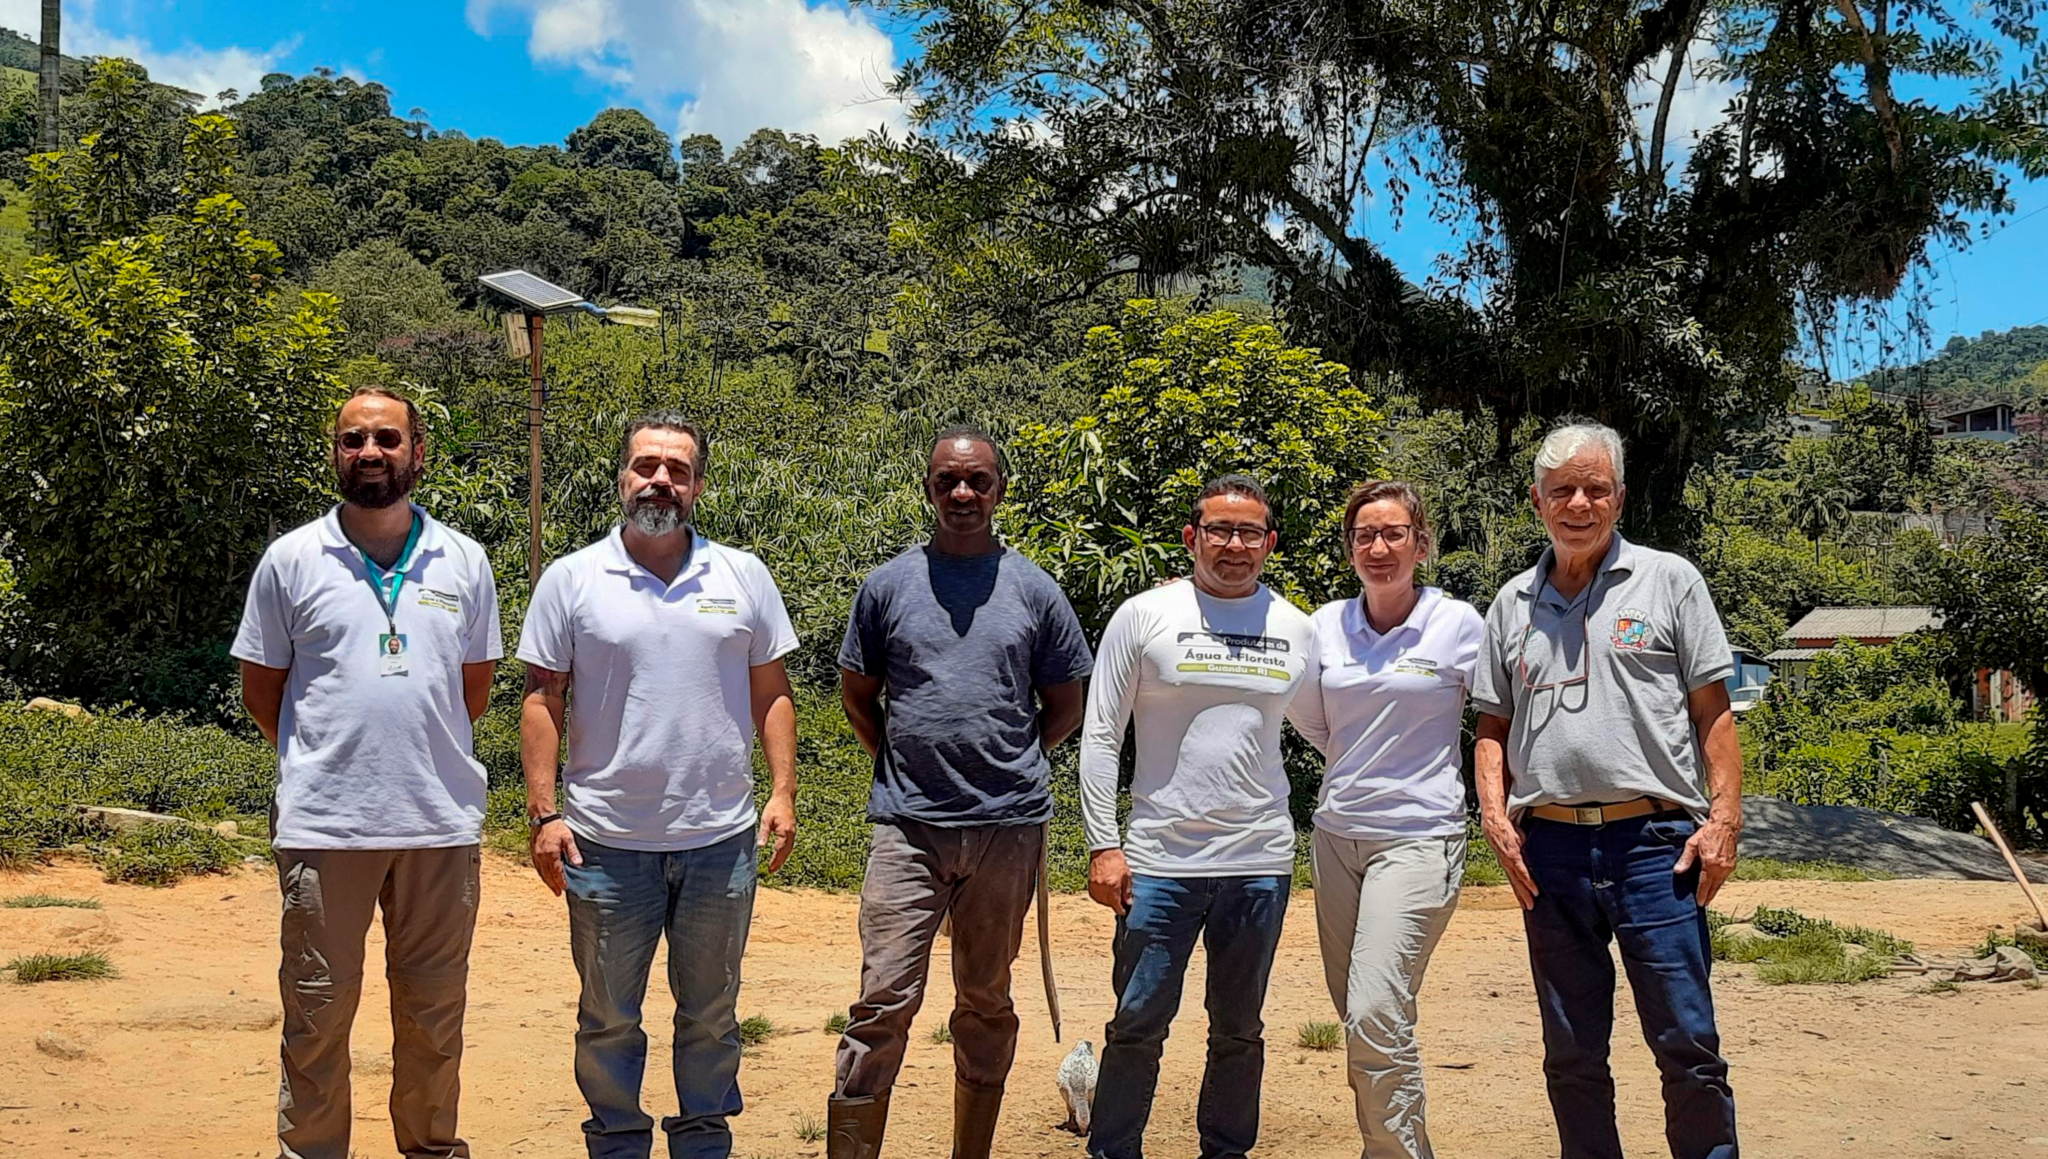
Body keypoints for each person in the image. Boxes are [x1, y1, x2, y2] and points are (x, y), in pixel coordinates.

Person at [518, 411, 800, 1159]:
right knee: (609, 1016)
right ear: (622, 478)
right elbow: (543, 696)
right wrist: (544, 814)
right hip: (605, 843)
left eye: (677, 469)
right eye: (646, 466)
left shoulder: (743, 574)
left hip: (720, 840)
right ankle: (616, 1141)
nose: (660, 480)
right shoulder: (572, 578)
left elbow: (771, 690)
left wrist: (782, 792)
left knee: (711, 1013)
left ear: (698, 485)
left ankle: (703, 1141)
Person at [234, 386, 503, 1159]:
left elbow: (472, 690)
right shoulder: (290, 561)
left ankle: (430, 1148)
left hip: (438, 824)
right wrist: (330, 758)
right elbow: (263, 692)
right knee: (316, 1014)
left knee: (433, 1016)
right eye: (353, 439)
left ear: (418, 451)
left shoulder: (464, 560)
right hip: (326, 824)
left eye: (387, 438)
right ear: (336, 453)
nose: (370, 452)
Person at [1472, 420, 1742, 1159]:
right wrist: (1495, 816)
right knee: (1571, 1052)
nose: (1579, 503)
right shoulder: (1511, 603)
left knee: (1687, 1041)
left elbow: (1713, 712)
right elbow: (1492, 726)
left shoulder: (1670, 580)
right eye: (1562, 489)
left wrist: (1723, 819)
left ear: (1619, 498)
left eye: (1596, 488)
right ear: (1537, 501)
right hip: (1550, 851)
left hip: (1656, 846)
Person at [828, 426, 1094, 1159]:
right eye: (947, 480)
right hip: (907, 828)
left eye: (977, 480)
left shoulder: (1035, 589)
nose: (963, 493)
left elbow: (1065, 704)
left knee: (985, 1000)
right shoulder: (887, 587)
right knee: (882, 999)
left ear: (1000, 490)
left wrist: (1010, 762)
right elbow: (858, 694)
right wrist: (905, 763)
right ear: (929, 488)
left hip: (1007, 828)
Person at [1079, 474, 1318, 1159]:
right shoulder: (1143, 616)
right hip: (1158, 862)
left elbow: (1327, 729)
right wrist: (1103, 843)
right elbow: (1101, 734)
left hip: (1258, 860)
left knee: (1239, 1029)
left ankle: (1226, 1150)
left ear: (1270, 542)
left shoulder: (1296, 628)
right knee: (1137, 1023)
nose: (1234, 545)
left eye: (1249, 532)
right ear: (1192, 537)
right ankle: (1114, 1149)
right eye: (1219, 530)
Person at [1286, 481, 1485, 1159]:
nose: (1378, 547)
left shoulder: (1457, 623)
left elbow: (1499, 717)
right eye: (1364, 535)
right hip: (1337, 837)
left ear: (1420, 544)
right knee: (1364, 1013)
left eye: (1394, 533)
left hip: (1420, 837)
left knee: (1375, 1009)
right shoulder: (1323, 625)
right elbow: (1313, 720)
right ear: (1350, 548)